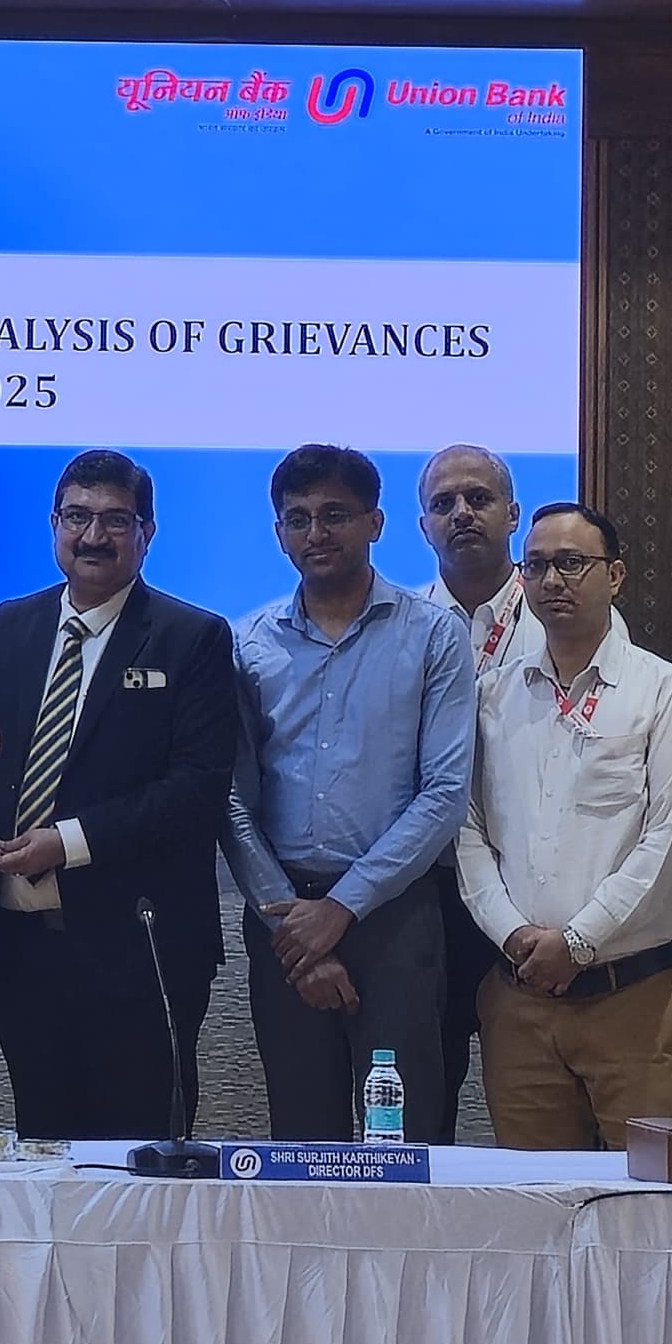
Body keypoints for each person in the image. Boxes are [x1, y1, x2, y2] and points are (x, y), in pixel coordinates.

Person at [0, 449, 242, 1142]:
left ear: (147, 532)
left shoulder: (193, 637)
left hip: (140, 949)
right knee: (42, 1150)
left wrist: (67, 843)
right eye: (77, 517)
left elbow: (197, 789)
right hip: (22, 948)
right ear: (53, 524)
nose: (93, 536)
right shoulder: (11, 624)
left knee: (139, 1159)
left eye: (115, 520)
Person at [222, 443, 476, 1142]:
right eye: (297, 518)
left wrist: (341, 909)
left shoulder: (434, 634)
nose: (316, 533)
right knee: (302, 1138)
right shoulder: (246, 643)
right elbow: (233, 800)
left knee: (407, 1136)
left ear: (375, 523)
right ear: (279, 533)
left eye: (335, 514)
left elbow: (444, 792)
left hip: (396, 916)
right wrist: (294, 928)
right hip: (281, 919)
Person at [455, 504, 672, 1146]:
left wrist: (577, 942)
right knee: (533, 1192)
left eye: (572, 563)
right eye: (537, 565)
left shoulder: (667, 691)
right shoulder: (492, 695)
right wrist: (514, 934)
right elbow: (467, 830)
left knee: (651, 1191)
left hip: (634, 992)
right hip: (520, 995)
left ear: (615, 575)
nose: (552, 581)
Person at [413, 443, 536, 1140]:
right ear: (422, 526)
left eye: (478, 499)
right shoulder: (399, 625)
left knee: (537, 1100)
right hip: (427, 887)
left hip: (532, 889)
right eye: (443, 503)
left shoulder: (562, 618)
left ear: (512, 514)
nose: (461, 513)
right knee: (423, 1096)